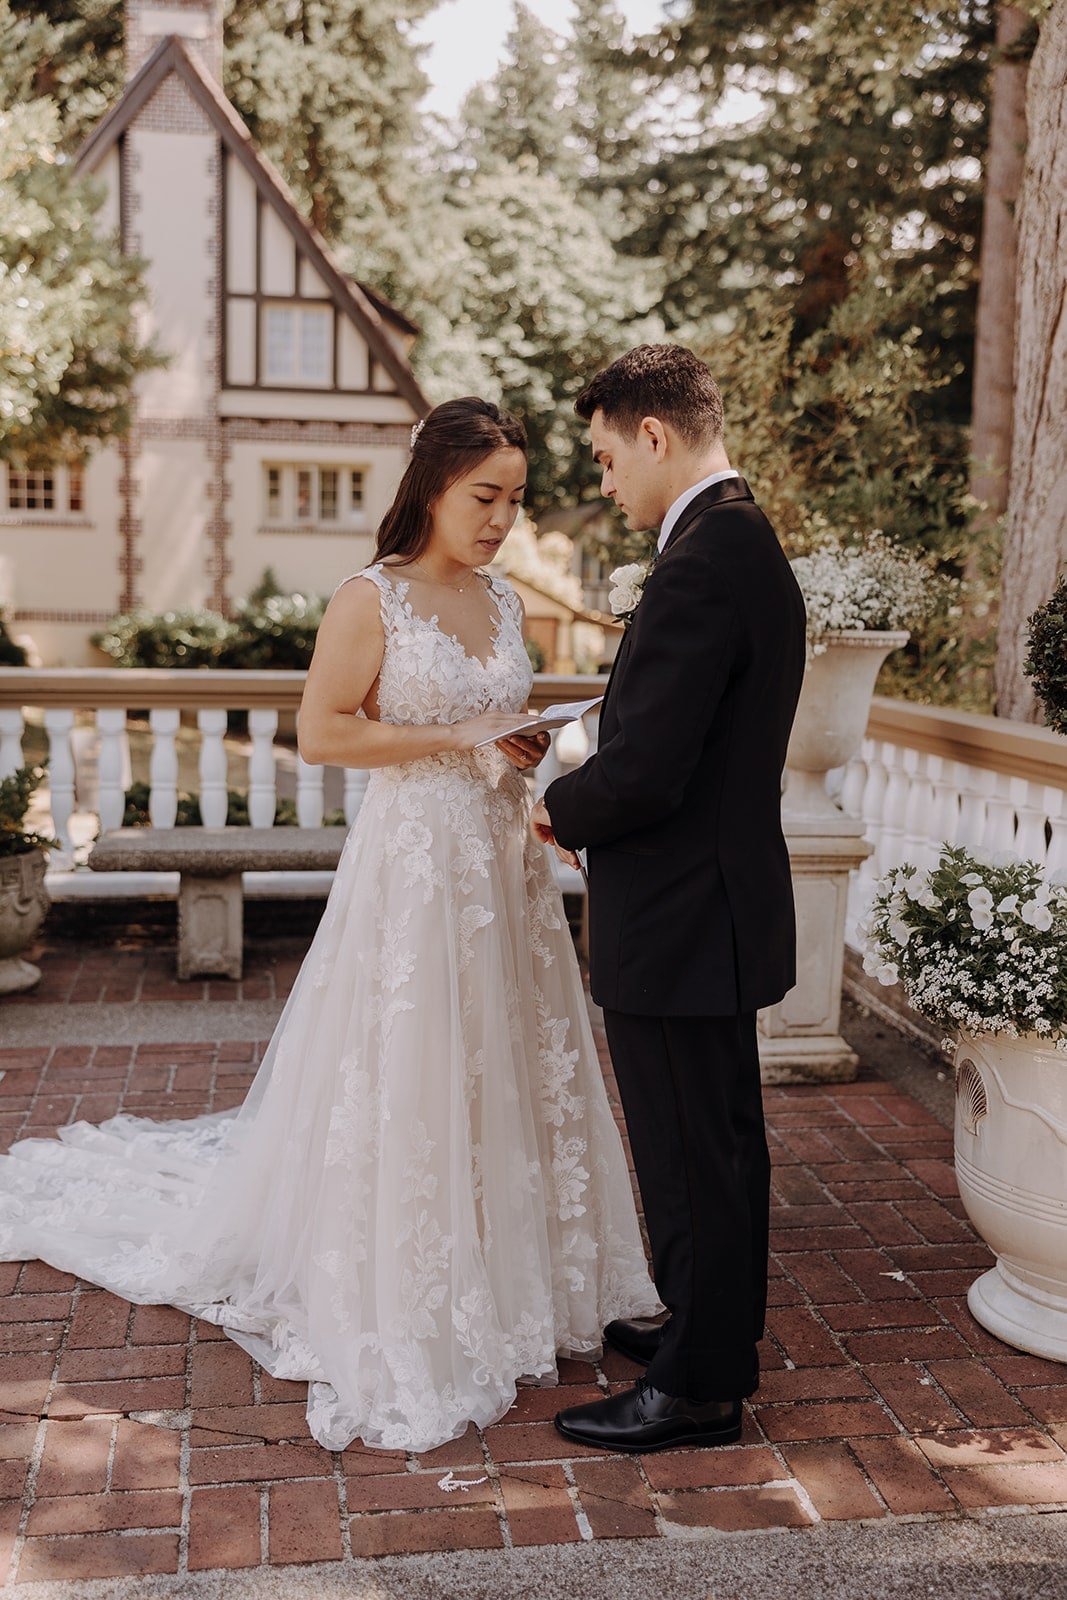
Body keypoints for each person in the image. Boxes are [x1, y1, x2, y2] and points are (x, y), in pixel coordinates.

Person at [0, 397, 659, 1454]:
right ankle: (417, 1287)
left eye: (516, 499)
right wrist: (464, 734)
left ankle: (524, 1272)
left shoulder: (502, 601)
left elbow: (500, 728)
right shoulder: (371, 598)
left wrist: (526, 760)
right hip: (415, 867)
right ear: (432, 486)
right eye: (484, 497)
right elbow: (320, 734)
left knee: (508, 1059)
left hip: (501, 866)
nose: (500, 519)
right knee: (421, 1061)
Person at [532, 346, 806, 1453]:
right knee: (714, 1141)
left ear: (654, 434)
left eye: (603, 459)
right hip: (709, 906)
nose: (602, 482)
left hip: (684, 915)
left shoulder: (703, 557)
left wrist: (558, 802)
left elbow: (647, 767)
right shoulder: (733, 538)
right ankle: (708, 1327)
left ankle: (696, 1387)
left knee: (692, 1149)